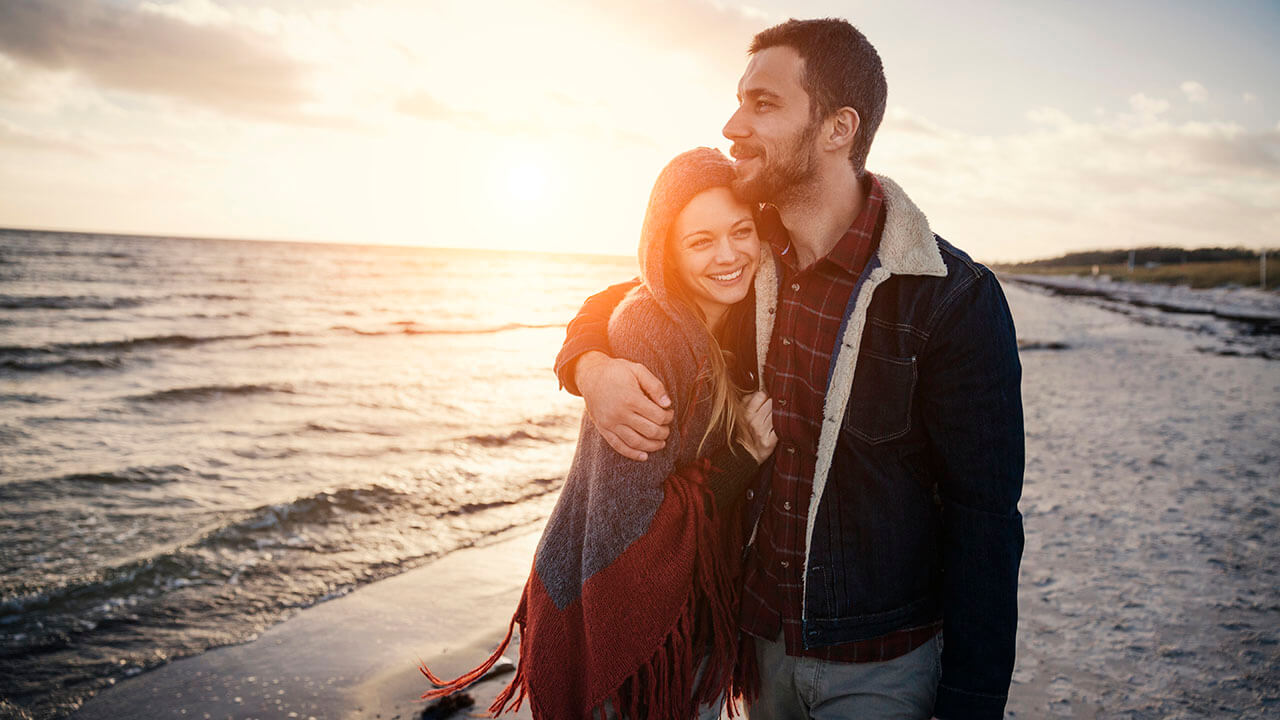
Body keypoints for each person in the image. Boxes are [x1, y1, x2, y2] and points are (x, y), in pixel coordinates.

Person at [554, 18, 1025, 720]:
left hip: (882, 669)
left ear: (838, 128)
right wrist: (591, 367)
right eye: (739, 100)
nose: (733, 124)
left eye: (763, 104)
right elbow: (636, 292)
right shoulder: (747, 263)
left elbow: (985, 520)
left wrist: (972, 701)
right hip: (756, 655)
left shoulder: (950, 295)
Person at [421, 147, 779, 719]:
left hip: (698, 624)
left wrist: (584, 360)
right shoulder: (653, 331)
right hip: (627, 636)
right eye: (701, 241)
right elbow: (632, 522)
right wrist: (743, 458)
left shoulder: (744, 314)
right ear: (667, 251)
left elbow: (602, 299)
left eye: (741, 231)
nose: (729, 254)